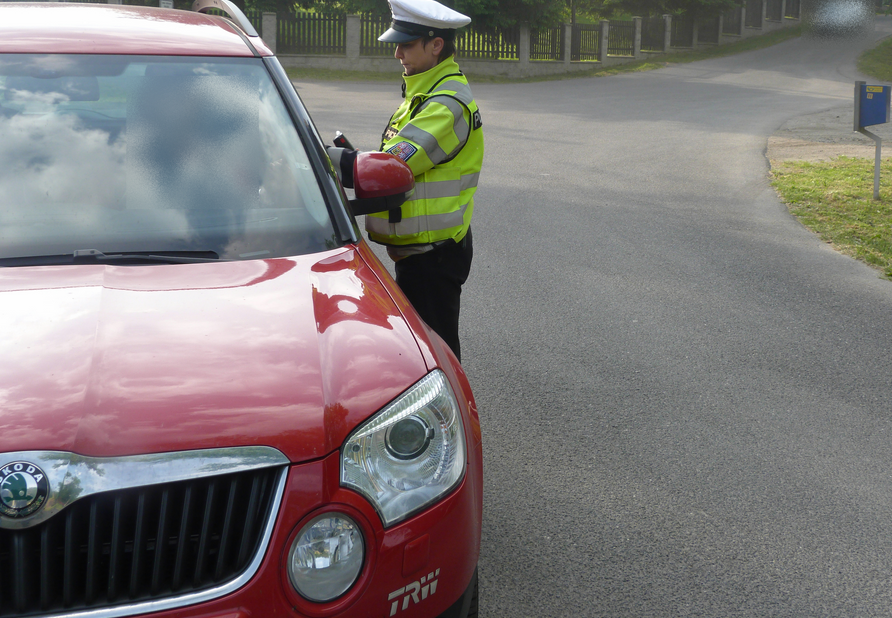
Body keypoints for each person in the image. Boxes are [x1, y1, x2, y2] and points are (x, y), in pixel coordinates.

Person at [328, 0, 484, 362]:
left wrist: (323, 159)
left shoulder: (447, 103)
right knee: (422, 352)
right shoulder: (423, 92)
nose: (397, 52)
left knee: (435, 358)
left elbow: (394, 165)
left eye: (406, 44)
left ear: (436, 45)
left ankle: (450, 418)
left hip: (434, 257)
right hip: (421, 252)